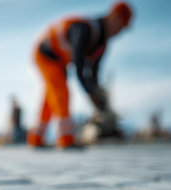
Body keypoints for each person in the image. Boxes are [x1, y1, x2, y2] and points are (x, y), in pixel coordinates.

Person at [27, 2, 133, 149]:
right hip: (46, 55)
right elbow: (79, 67)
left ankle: (36, 138)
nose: (120, 32)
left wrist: (96, 93)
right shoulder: (85, 29)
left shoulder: (101, 45)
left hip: (60, 61)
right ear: (114, 17)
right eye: (121, 26)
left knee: (51, 96)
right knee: (61, 93)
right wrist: (90, 94)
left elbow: (93, 73)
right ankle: (66, 139)